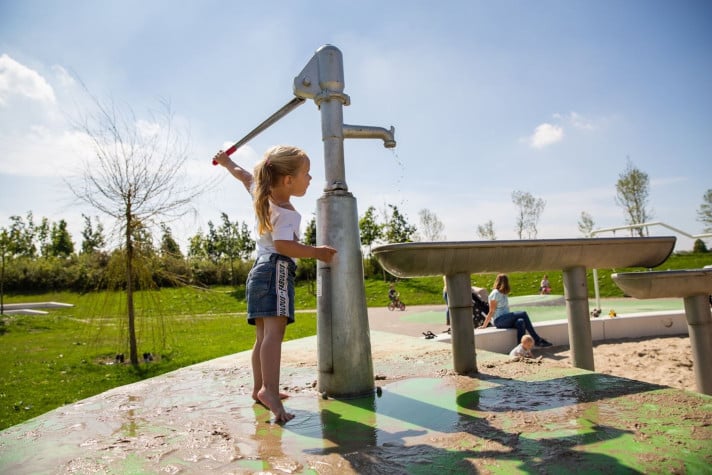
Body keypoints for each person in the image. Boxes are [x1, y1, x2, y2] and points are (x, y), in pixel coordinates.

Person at [213, 145, 337, 423]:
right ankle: (269, 390)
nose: (310, 178)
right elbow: (283, 245)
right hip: (276, 270)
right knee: (274, 336)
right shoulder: (286, 212)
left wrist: (226, 161)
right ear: (288, 180)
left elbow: (244, 176)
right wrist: (317, 252)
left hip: (259, 270)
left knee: (261, 337)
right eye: (307, 173)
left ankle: (259, 388)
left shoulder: (261, 193)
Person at [479, 274, 552, 347]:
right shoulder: (495, 293)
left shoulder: (503, 293)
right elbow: (491, 311)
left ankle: (521, 348)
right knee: (523, 313)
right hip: (499, 321)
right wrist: (484, 325)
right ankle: (537, 340)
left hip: (505, 320)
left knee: (521, 321)